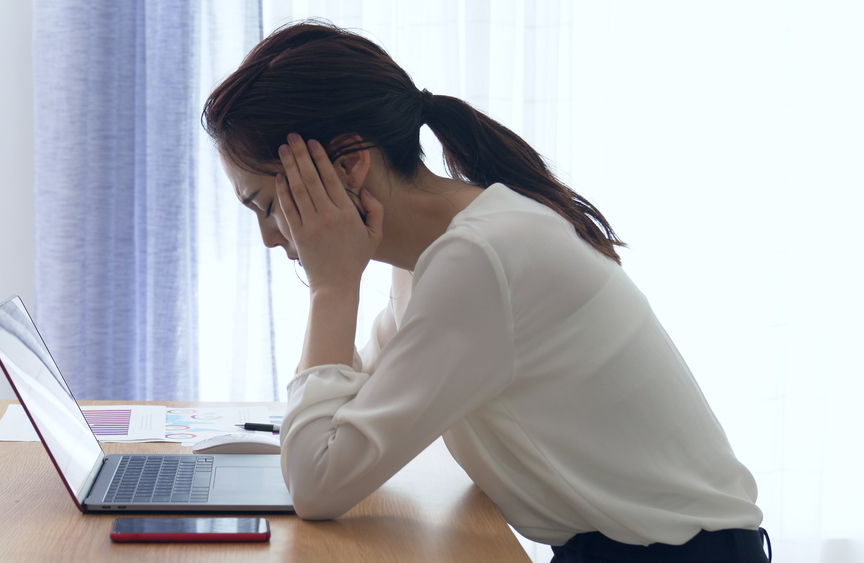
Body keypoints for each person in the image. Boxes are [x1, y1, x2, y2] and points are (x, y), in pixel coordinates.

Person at [202, 20, 771, 563]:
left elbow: (317, 482)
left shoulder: (478, 259)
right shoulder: (441, 253)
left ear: (349, 165)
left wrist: (332, 288)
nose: (271, 238)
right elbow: (348, 411)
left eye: (271, 206)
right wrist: (335, 288)